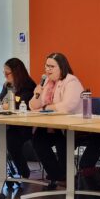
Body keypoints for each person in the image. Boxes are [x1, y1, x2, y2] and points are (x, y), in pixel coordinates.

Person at [29, 52, 84, 189]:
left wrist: (46, 107)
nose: (47, 70)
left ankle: (65, 176)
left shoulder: (71, 81)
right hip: (53, 125)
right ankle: (58, 175)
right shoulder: (47, 82)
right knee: (38, 139)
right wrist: (37, 94)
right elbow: (32, 106)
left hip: (72, 126)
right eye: (46, 66)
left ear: (61, 67)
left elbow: (67, 106)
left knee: (61, 140)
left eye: (52, 66)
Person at [0, 58, 36, 178]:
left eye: (7, 73)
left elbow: (19, 105)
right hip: (2, 124)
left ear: (17, 72)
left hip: (19, 127)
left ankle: (24, 172)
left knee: (11, 142)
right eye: (3, 72)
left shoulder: (29, 86)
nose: (5, 75)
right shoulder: (7, 85)